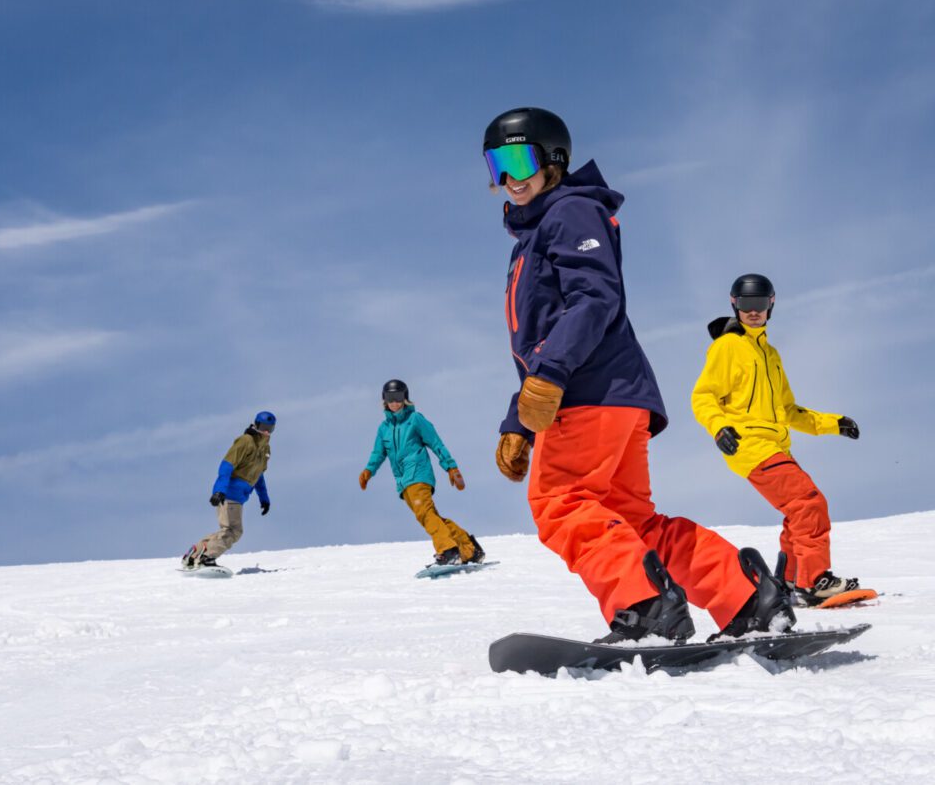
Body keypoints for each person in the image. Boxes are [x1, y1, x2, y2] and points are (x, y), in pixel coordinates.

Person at [483, 106, 794, 642]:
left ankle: (644, 605)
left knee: (561, 504)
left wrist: (552, 374)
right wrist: (518, 420)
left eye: (518, 160)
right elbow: (542, 339)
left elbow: (593, 298)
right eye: (496, 166)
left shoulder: (570, 212)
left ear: (553, 161)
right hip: (612, 394)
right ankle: (745, 596)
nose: (510, 179)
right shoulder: (535, 236)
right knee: (632, 521)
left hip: (587, 393)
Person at [691, 274, 862, 606]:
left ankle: (790, 582)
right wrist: (719, 428)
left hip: (775, 445)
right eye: (745, 305)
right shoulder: (727, 346)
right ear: (733, 304)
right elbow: (704, 397)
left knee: (797, 512)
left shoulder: (771, 355)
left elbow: (788, 410)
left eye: (758, 305)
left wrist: (834, 423)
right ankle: (814, 581)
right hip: (749, 444)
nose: (752, 312)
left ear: (771, 305)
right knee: (808, 503)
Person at [359, 379, 484, 566]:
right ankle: (469, 549)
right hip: (403, 482)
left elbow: (435, 443)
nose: (394, 402)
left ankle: (448, 550)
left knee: (425, 514)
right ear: (384, 401)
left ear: (405, 399)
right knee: (431, 516)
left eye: (398, 398)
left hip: (418, 474)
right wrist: (369, 471)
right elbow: (378, 453)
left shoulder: (415, 420)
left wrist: (451, 467)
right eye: (390, 398)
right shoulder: (383, 428)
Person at [182, 411, 275, 569]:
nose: (266, 431)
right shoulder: (246, 441)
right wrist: (219, 490)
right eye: (264, 427)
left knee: (227, 530)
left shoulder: (265, 450)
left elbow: (258, 476)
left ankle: (195, 554)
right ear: (256, 424)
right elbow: (227, 465)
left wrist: (264, 498)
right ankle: (206, 558)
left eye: (270, 428)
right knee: (234, 531)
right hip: (229, 493)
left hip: (239, 497)